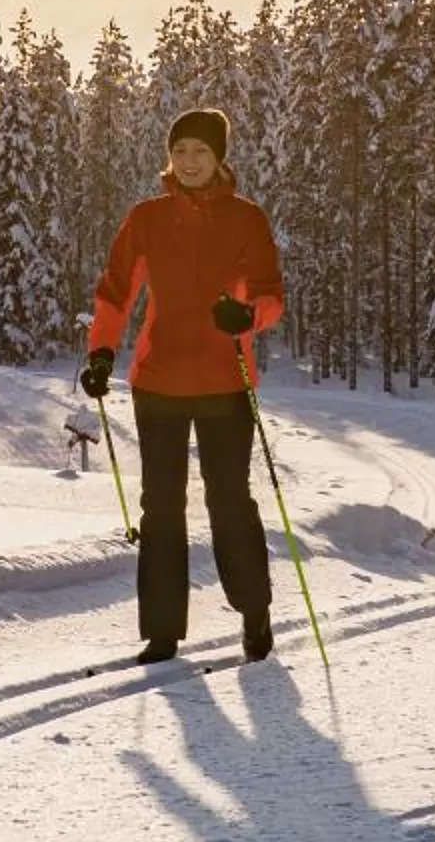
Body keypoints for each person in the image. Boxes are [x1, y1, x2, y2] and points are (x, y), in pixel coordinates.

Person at [82, 106, 287, 663]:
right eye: (180, 151)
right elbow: (116, 290)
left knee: (227, 501)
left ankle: (254, 610)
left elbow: (271, 294)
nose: (189, 161)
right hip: (160, 382)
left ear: (219, 157)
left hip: (226, 380)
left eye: (200, 151)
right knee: (162, 506)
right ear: (168, 157)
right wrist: (101, 351)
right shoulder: (147, 217)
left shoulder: (246, 219)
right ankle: (163, 631)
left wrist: (249, 317)